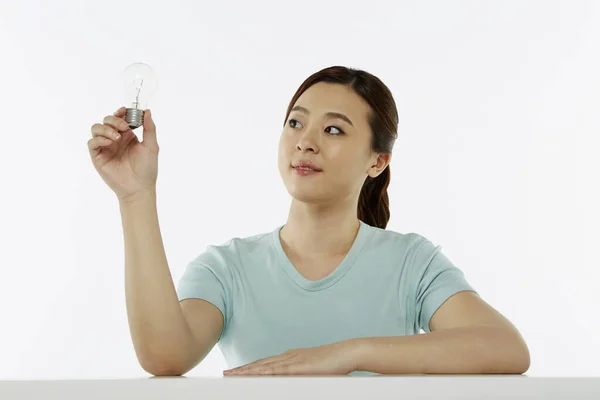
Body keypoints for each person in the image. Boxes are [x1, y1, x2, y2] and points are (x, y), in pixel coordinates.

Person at [88, 65, 530, 377]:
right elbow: (165, 357)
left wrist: (349, 355)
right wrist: (135, 195)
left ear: (377, 161)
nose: (306, 142)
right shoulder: (227, 267)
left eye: (334, 129)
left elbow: (506, 348)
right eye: (296, 123)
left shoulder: (412, 263)